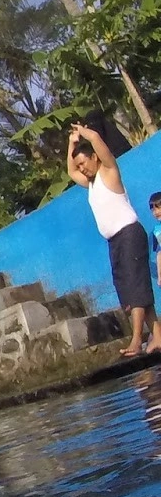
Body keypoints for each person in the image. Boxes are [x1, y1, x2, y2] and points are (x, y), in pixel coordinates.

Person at [67, 122, 160, 357]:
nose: (81, 169)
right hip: (115, 242)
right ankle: (158, 335)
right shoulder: (91, 184)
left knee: (135, 288)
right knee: (130, 291)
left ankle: (137, 340)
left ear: (95, 158)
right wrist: (72, 144)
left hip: (129, 234)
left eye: (84, 163)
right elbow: (70, 172)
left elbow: (99, 143)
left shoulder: (109, 172)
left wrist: (87, 134)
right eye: (79, 165)